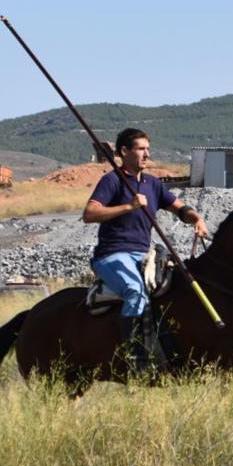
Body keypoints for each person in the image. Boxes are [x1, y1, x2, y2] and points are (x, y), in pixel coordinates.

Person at [83, 127, 209, 372]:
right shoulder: (112, 181)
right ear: (124, 151)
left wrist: (197, 219)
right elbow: (89, 213)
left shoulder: (153, 184)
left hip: (143, 255)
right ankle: (135, 356)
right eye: (141, 149)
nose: (147, 154)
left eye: (147, 149)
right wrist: (128, 207)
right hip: (112, 254)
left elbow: (180, 208)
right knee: (134, 291)